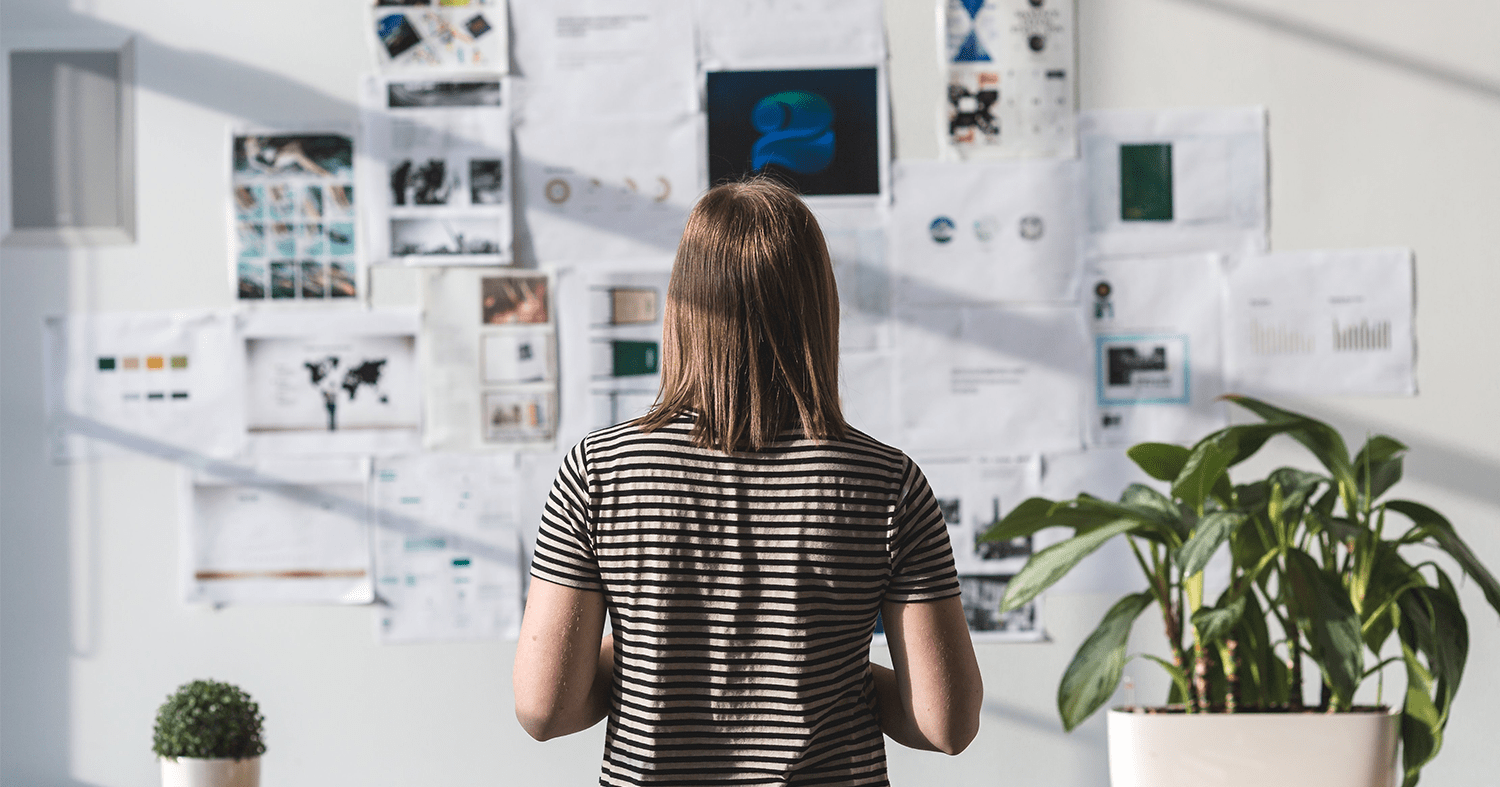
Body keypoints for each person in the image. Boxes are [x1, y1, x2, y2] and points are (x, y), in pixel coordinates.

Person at [513, 177, 983, 786]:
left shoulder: (598, 472)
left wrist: (651, 658)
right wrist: (825, 665)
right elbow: (944, 725)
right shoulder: (886, 482)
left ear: (682, 304)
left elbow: (545, 708)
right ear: (819, 306)